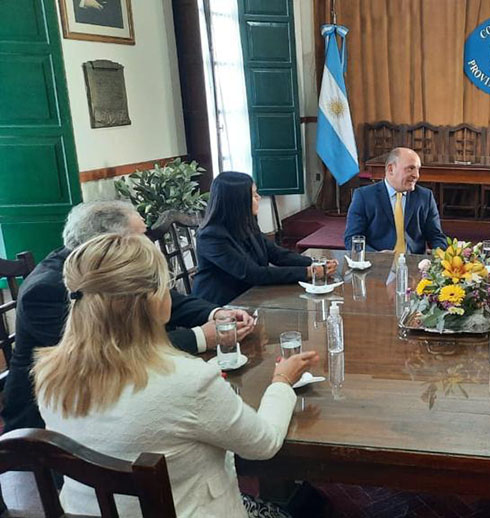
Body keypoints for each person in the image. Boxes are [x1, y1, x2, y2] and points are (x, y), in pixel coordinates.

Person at [34, 233, 316, 518]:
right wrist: (282, 381)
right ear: (152, 301)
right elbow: (263, 443)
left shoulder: (49, 374)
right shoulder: (188, 380)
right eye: (168, 285)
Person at [1, 201, 254, 432]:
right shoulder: (46, 291)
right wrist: (201, 337)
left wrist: (217, 313)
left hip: (117, 393)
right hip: (59, 425)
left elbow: (163, 299)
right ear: (110, 243)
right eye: (141, 237)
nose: (149, 244)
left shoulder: (106, 268)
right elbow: (113, 352)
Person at [193, 172, 336, 305]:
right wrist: (307, 272)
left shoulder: (246, 223)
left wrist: (316, 262)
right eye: (254, 195)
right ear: (237, 201)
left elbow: (276, 254)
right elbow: (253, 273)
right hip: (221, 306)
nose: (259, 198)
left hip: (251, 296)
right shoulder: (211, 236)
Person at [343, 147, 448, 254]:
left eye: (418, 169)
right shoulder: (364, 196)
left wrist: (437, 253)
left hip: (415, 264)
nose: (416, 175)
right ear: (391, 169)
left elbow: (436, 236)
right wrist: (375, 256)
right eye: (410, 168)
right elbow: (351, 239)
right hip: (376, 265)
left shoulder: (425, 197)